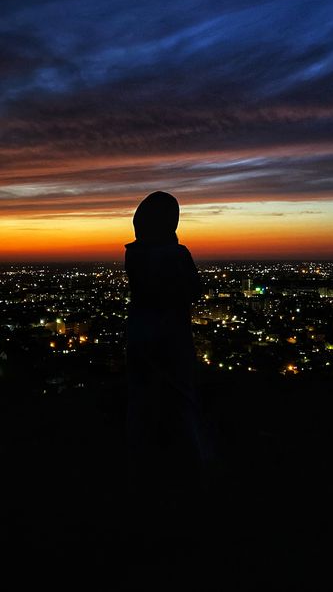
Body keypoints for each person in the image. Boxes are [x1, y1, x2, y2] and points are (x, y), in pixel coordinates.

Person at [124, 190, 203, 521]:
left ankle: (140, 454)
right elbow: (195, 291)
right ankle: (195, 458)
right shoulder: (176, 254)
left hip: (141, 329)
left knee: (143, 391)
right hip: (172, 330)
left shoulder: (134, 254)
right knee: (181, 394)